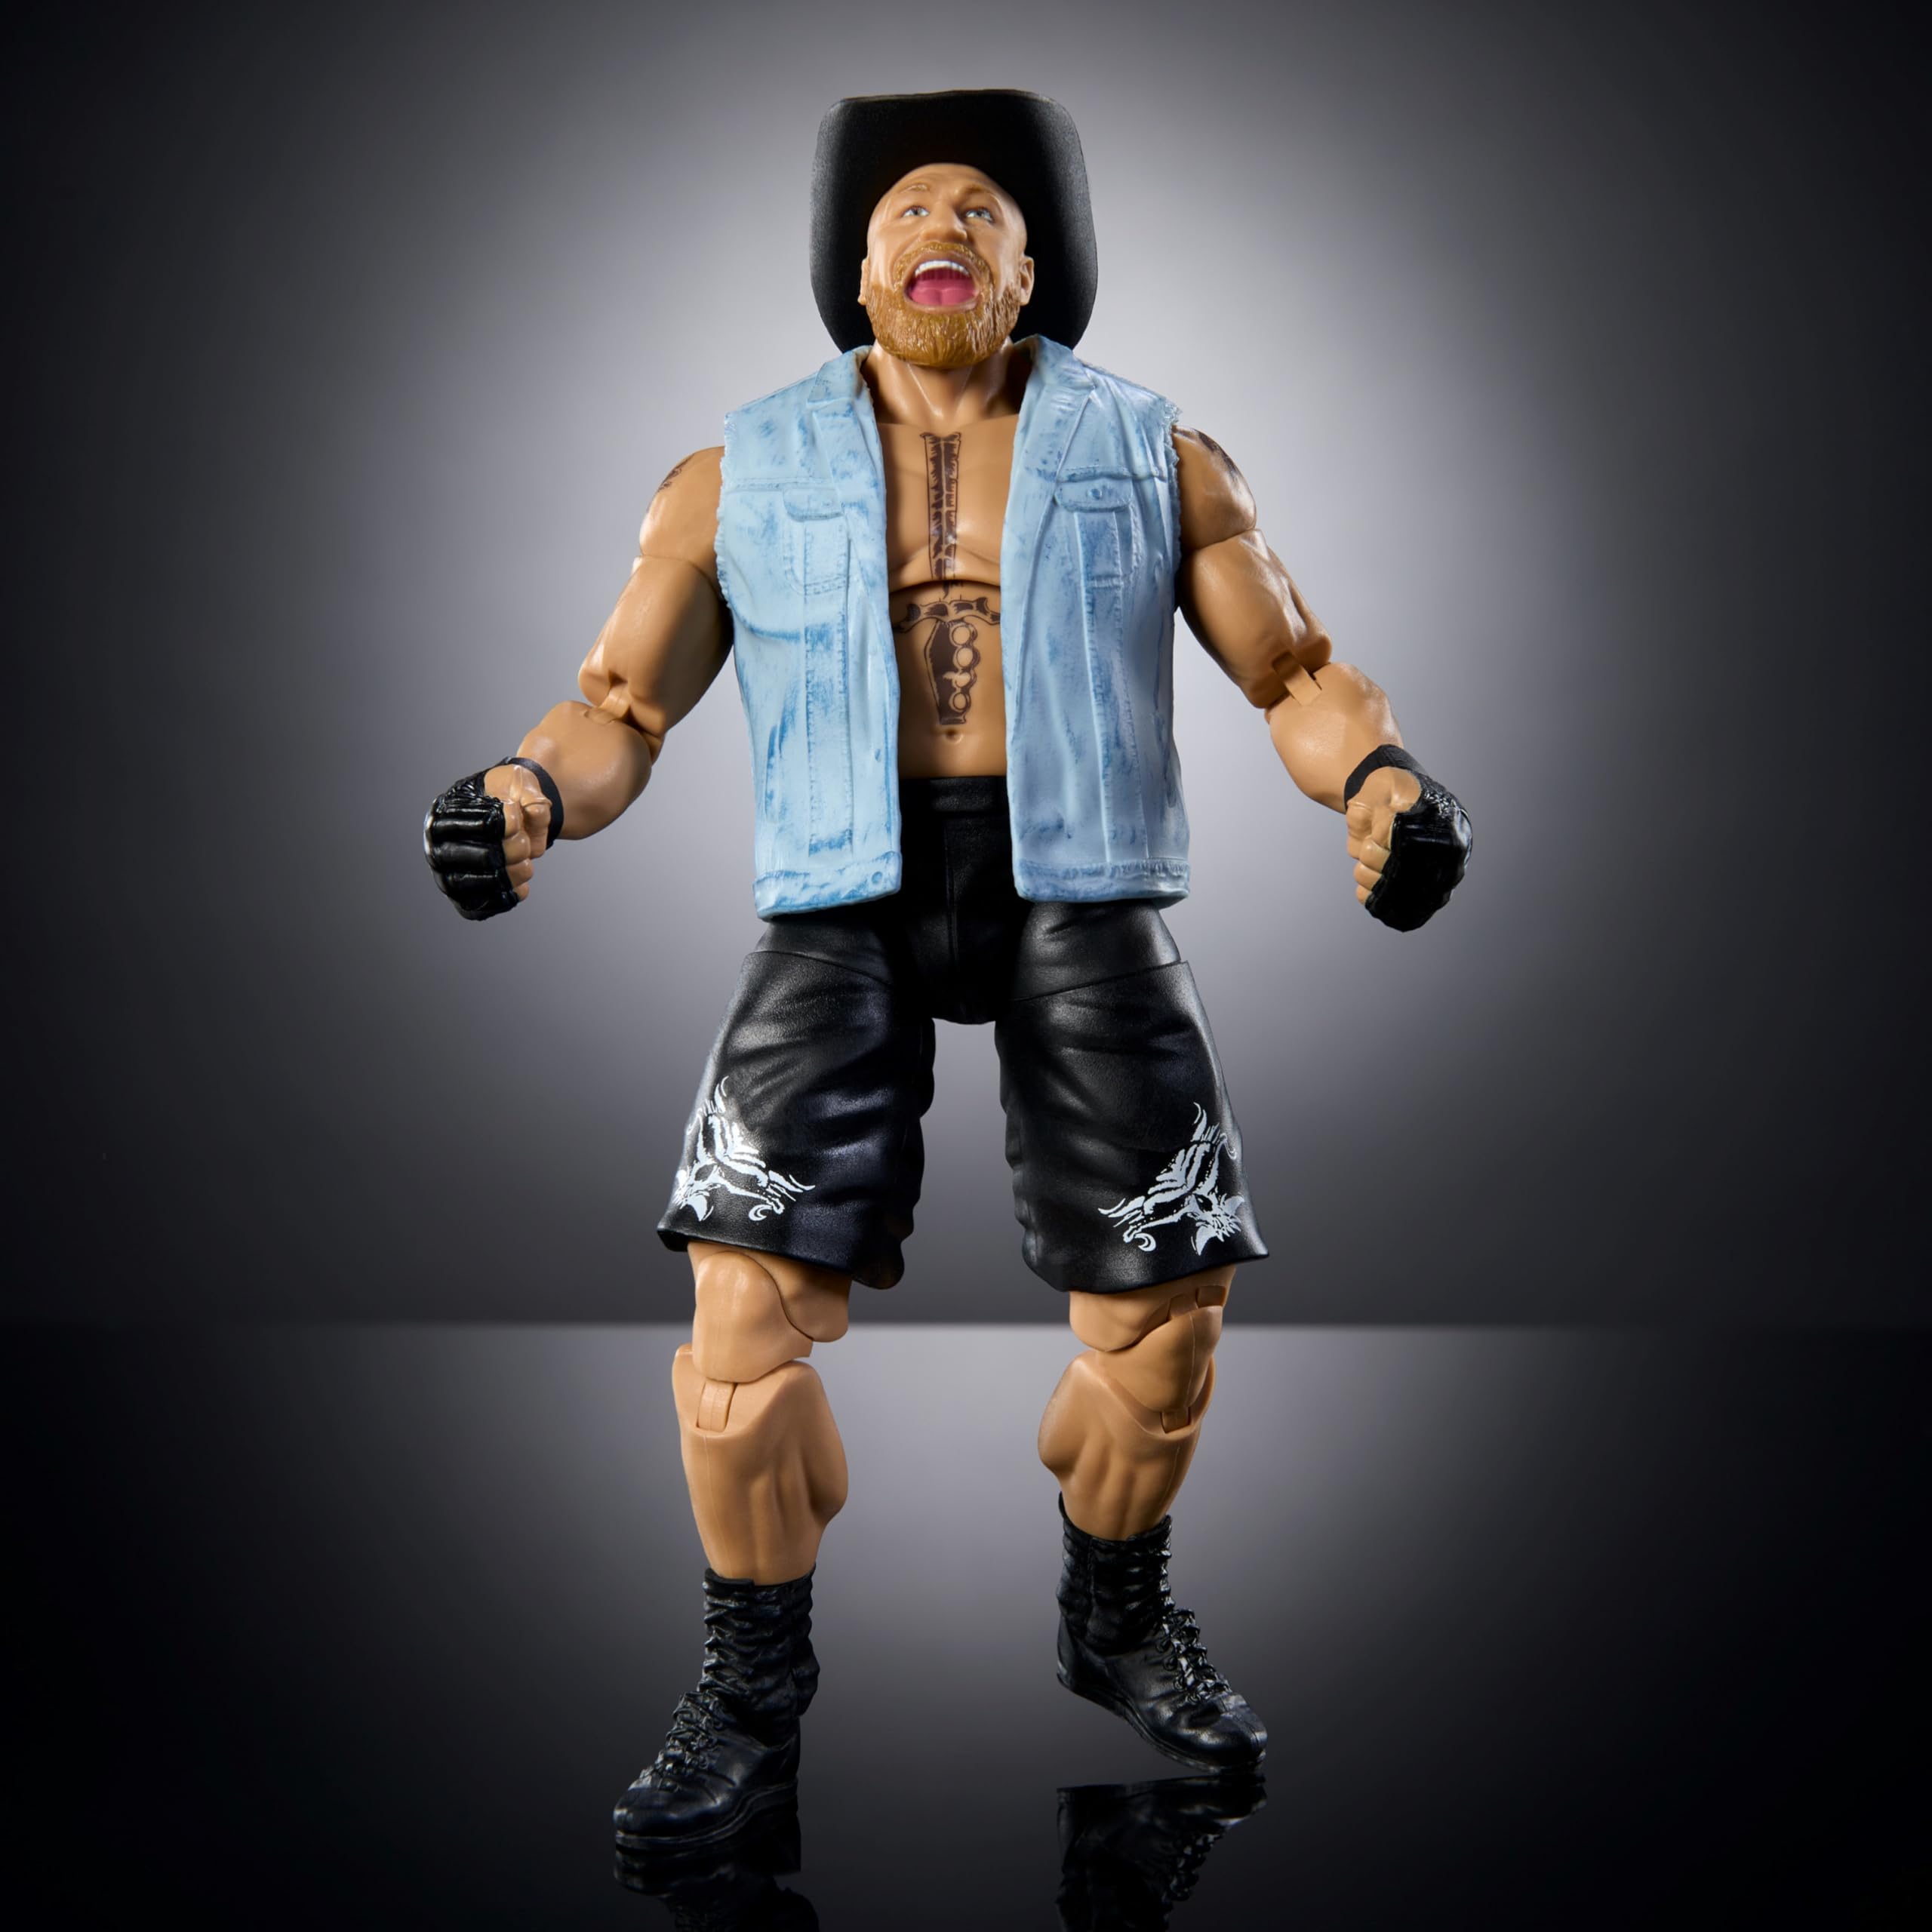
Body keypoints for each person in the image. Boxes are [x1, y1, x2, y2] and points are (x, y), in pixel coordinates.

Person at [423, 90, 1470, 1849]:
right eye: (906, 207)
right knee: (735, 1333)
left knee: (1165, 1315)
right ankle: (749, 1688)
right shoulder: (734, 470)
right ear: (852, 269)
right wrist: (523, 792)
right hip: (842, 888)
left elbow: (1292, 670)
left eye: (981, 208)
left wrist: (1379, 779)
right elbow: (618, 706)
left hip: (1079, 875)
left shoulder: (1155, 452)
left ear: (1032, 267)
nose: (942, 228)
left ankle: (1112, 1613)